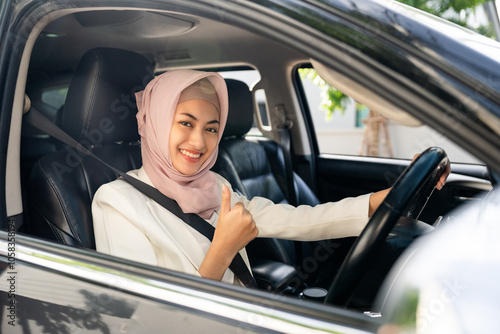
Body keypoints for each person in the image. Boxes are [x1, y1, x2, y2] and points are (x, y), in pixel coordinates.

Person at [92, 69, 448, 286]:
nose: (199, 142)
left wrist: (392, 194)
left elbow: (300, 221)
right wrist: (222, 250)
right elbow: (148, 321)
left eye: (211, 128)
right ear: (154, 123)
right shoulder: (117, 202)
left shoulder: (215, 186)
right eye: (185, 122)